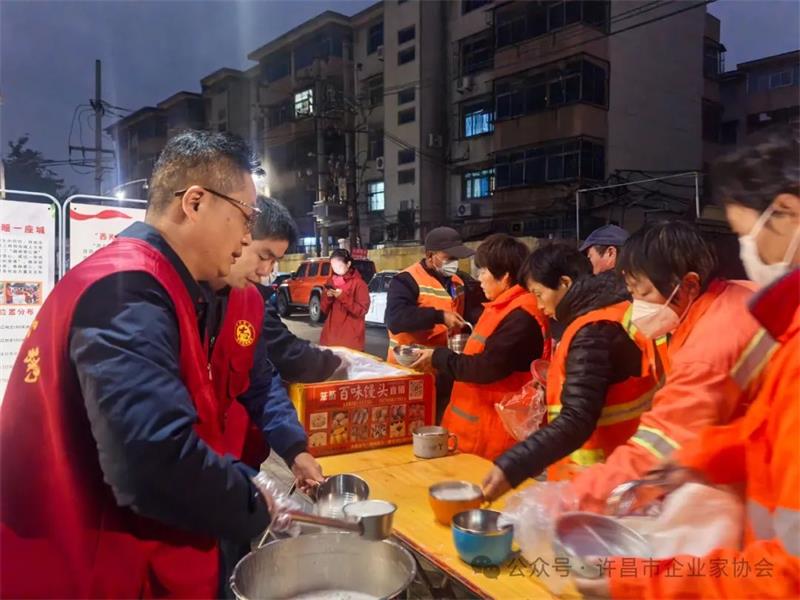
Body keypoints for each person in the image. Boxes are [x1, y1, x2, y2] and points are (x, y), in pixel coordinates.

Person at [0, 131, 280, 598]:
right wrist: (256, 502)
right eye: (246, 216)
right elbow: (152, 461)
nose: (248, 237)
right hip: (89, 569)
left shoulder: (151, 282)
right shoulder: (128, 290)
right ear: (195, 202)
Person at [577, 125, 800, 600]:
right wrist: (698, 459)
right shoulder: (772, 317)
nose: (747, 251)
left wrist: (633, 580)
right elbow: (769, 430)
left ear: (787, 213)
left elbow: (789, 576)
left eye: (746, 234)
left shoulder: (713, 344)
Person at [569, 220, 764, 513]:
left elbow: (659, 447)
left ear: (689, 285)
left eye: (645, 294)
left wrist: (574, 499)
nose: (637, 305)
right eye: (632, 293)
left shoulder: (709, 349)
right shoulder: (736, 293)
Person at [482, 243, 655, 500]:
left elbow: (577, 418)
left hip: (601, 483)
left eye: (539, 294)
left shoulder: (593, 332)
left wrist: (514, 464)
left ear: (564, 283)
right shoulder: (613, 311)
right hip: (622, 471)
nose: (538, 304)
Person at [208, 195, 325, 485]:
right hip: (196, 475)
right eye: (263, 256)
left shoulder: (249, 301)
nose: (266, 272)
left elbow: (261, 381)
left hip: (236, 461)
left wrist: (295, 450)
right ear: (238, 237)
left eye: (274, 262)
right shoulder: (169, 296)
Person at [411, 234, 549, 460]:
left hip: (493, 437)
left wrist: (439, 357)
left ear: (505, 276)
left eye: (484, 271)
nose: (479, 278)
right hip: (473, 429)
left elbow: (487, 367)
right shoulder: (501, 307)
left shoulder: (521, 316)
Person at [386, 226, 473, 421]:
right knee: (410, 426)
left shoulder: (458, 282)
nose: (453, 263)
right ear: (430, 255)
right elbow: (395, 319)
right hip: (410, 371)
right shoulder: (406, 280)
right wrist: (439, 316)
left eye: (456, 258)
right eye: (448, 257)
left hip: (444, 370)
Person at [319, 248, 370, 351]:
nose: (335, 269)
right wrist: (328, 297)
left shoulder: (359, 284)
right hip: (330, 338)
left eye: (339, 266)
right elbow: (324, 309)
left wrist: (342, 297)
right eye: (333, 266)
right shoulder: (331, 281)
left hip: (350, 340)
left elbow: (361, 311)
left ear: (348, 264)